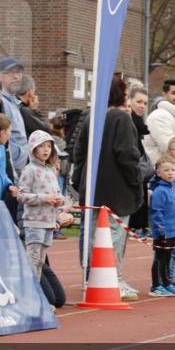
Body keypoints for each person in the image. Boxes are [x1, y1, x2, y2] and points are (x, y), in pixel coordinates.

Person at [72, 74, 142, 300]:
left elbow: (78, 153)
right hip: (116, 191)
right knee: (114, 236)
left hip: (93, 188)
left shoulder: (92, 117)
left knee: (95, 236)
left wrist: (79, 181)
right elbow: (128, 155)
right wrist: (136, 179)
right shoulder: (120, 119)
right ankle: (114, 279)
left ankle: (96, 277)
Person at [18, 129, 64, 280]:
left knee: (40, 261)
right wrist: (43, 198)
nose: (46, 150)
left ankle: (35, 294)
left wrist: (59, 203)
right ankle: (29, 293)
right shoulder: (29, 170)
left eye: (48, 146)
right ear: (33, 148)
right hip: (34, 222)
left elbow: (57, 193)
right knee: (33, 259)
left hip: (48, 222)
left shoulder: (50, 171)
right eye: (41, 146)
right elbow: (22, 195)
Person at [149, 154, 175, 297]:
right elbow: (157, 212)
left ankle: (167, 283)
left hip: (174, 230)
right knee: (160, 258)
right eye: (166, 170)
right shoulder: (159, 191)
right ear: (159, 173)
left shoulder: (174, 188)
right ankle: (156, 285)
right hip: (163, 232)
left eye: (172, 170)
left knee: (168, 258)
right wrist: (160, 231)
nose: (170, 173)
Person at [0, 57, 29, 173]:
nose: (16, 76)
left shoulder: (14, 103)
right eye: (10, 73)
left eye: (19, 73)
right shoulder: (0, 102)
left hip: (17, 170)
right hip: (7, 170)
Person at [127, 85, 152, 236]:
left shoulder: (139, 122)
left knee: (142, 194)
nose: (142, 106)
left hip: (140, 168)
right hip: (131, 168)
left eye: (145, 103)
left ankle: (140, 225)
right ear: (129, 101)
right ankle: (135, 226)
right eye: (139, 102)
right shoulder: (128, 120)